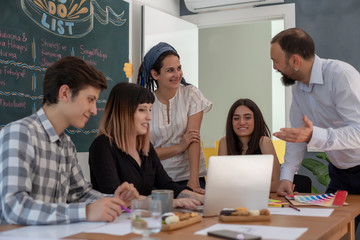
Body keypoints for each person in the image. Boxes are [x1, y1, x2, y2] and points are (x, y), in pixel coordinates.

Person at [0, 56, 139, 225]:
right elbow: (14, 207)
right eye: (90, 99)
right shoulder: (20, 134)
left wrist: (116, 200)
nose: (95, 110)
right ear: (64, 93)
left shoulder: (67, 145)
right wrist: (86, 212)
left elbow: (80, 194)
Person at [89, 82, 204, 209]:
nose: (149, 117)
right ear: (123, 112)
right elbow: (115, 195)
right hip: (115, 223)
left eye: (150, 110)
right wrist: (167, 203)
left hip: (143, 220)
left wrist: (203, 199)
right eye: (142, 110)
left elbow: (168, 185)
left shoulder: (145, 148)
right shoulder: (102, 147)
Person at [137, 42, 212, 194]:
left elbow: (193, 140)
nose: (177, 74)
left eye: (179, 68)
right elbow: (144, 152)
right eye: (170, 70)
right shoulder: (144, 102)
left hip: (190, 177)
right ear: (155, 74)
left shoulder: (191, 94)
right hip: (156, 180)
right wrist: (179, 147)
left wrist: (194, 181)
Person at [218, 98, 280, 192]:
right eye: (236, 118)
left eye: (247, 117)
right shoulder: (224, 142)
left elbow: (276, 185)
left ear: (256, 120)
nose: (242, 122)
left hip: (260, 201)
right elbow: (220, 184)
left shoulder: (264, 142)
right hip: (233, 201)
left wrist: (238, 188)